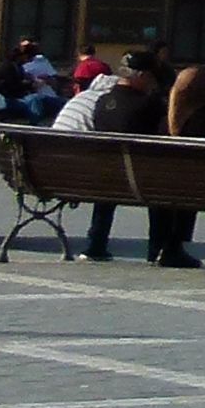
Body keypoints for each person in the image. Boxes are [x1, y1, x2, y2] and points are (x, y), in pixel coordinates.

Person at [76, 49, 164, 259]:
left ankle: (96, 244)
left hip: (103, 180)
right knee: (164, 181)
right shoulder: (149, 104)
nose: (155, 84)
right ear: (142, 76)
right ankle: (158, 249)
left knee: (109, 172)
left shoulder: (102, 102)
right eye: (153, 78)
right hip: (140, 181)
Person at [140, 66, 205, 269]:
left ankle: (159, 248)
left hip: (157, 186)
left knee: (167, 185)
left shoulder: (164, 122)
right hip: (202, 188)